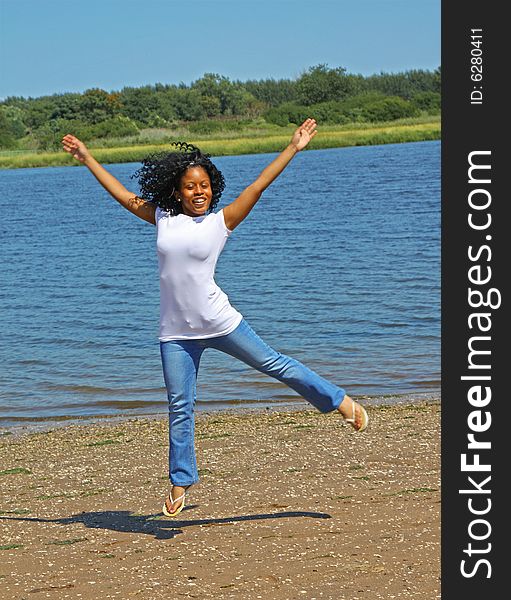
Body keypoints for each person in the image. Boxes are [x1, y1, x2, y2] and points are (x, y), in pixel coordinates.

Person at [61, 118, 368, 519]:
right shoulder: (162, 219)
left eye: (203, 185)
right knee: (180, 405)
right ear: (178, 190)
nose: (198, 192)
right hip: (174, 333)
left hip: (221, 322)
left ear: (212, 188)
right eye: (190, 186)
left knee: (275, 364)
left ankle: (339, 400)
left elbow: (258, 185)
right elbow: (122, 195)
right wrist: (87, 158)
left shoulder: (221, 222)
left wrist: (293, 148)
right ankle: (180, 481)